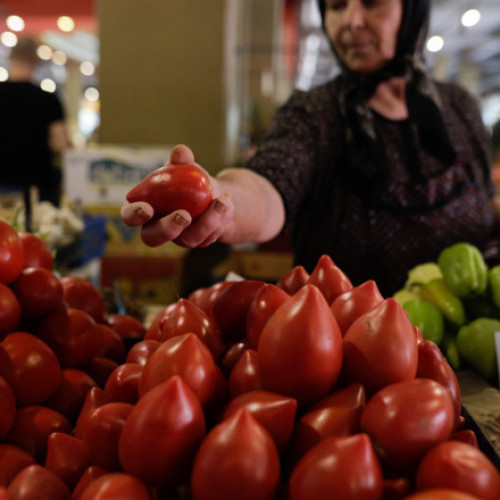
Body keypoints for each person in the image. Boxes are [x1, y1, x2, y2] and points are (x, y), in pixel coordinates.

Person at [121, 0, 496, 298]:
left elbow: (486, 205)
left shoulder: (460, 108)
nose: (351, 21)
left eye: (371, 2)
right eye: (335, 6)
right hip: (351, 360)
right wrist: (220, 201)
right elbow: (267, 188)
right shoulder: (315, 113)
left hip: (471, 358)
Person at [0, 37, 70, 209]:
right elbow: (60, 145)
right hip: (37, 189)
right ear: (36, 60)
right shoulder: (48, 100)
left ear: (11, 58)